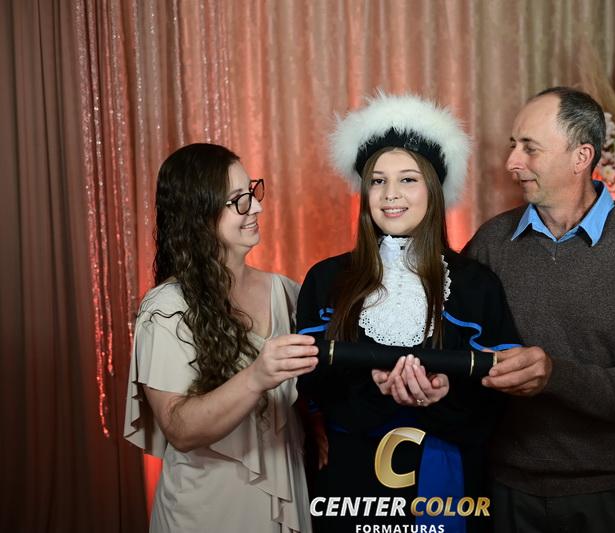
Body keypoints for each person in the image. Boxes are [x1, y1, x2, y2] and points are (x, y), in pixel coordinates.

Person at [463, 87, 615, 533]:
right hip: (505, 487)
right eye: (513, 146)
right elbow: (456, 347)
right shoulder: (490, 241)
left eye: (530, 148)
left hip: (609, 495)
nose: (511, 162)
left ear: (581, 156)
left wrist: (554, 375)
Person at [297, 93, 521, 533]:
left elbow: (502, 397)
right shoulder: (326, 279)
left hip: (449, 482)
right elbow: (307, 385)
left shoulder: (476, 284)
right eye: (378, 181)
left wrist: (444, 394)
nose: (391, 194)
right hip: (350, 484)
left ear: (434, 190)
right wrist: (370, 385)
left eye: (408, 179)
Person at [123, 143, 318, 532]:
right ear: (198, 214)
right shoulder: (167, 308)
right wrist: (256, 377)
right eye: (238, 200)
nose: (256, 207)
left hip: (285, 497)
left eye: (253, 191)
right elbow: (179, 428)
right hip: (207, 510)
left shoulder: (286, 292)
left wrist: (316, 423)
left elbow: (304, 394)